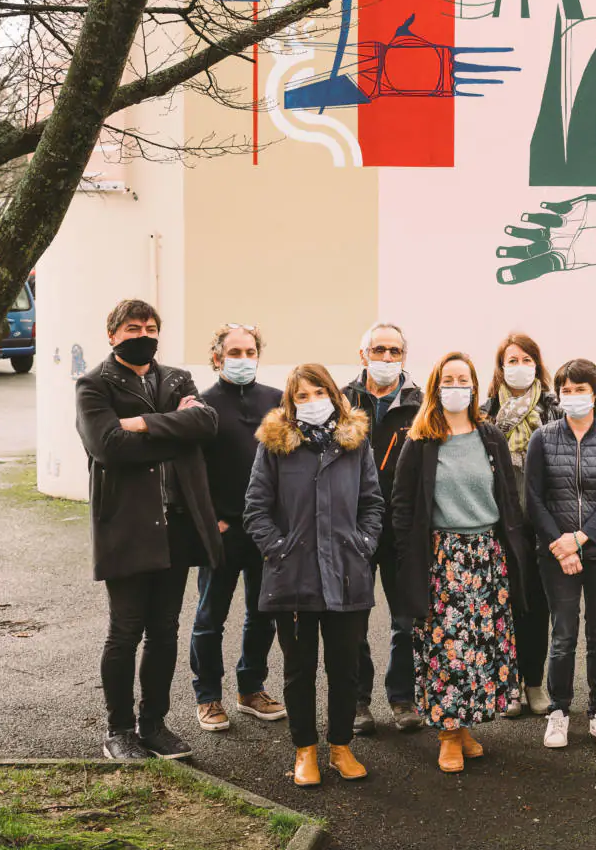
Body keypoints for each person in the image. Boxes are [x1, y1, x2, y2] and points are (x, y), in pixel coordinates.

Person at [75, 299, 222, 761]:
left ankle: (154, 724)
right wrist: (172, 434)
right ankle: (119, 730)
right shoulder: (93, 384)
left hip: (177, 526)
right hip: (127, 525)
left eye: (151, 326)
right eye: (133, 327)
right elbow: (109, 447)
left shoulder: (176, 378)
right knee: (125, 631)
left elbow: (205, 422)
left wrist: (142, 423)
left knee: (165, 630)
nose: (144, 333)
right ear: (113, 334)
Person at [390, 352, 530, 773]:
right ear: (436, 387)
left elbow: (508, 496)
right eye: (447, 379)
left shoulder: (490, 437)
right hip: (442, 557)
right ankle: (448, 735)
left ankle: (466, 725)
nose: (455, 386)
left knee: (482, 647)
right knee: (448, 649)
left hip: (487, 554)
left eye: (462, 379)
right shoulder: (421, 440)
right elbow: (401, 504)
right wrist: (410, 556)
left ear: (473, 386)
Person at [244, 364, 382, 786]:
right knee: (298, 670)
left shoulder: (355, 444)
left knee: (345, 668)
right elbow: (256, 508)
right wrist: (279, 550)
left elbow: (372, 503)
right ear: (290, 403)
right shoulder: (274, 446)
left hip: (346, 574)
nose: (311, 402)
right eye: (301, 396)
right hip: (295, 576)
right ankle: (305, 750)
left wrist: (362, 544)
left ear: (334, 395)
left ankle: (340, 746)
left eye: (317, 392)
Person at [524, 359, 596, 749]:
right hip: (555, 554)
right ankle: (559, 711)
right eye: (566, 389)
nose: (574, 396)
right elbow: (533, 499)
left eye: (581, 388)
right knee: (563, 634)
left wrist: (581, 539)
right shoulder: (543, 438)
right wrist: (561, 544)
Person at [191, 324, 286, 731]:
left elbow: (289, 461)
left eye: (250, 351)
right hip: (222, 531)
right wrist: (212, 518)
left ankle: (251, 688)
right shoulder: (201, 405)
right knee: (210, 616)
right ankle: (208, 697)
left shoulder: (277, 401)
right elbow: (191, 471)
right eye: (235, 352)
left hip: (265, 531)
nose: (243, 359)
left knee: (262, 614)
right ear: (217, 357)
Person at [343, 322, 424, 735]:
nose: (387, 358)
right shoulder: (340, 402)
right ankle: (358, 702)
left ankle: (402, 698)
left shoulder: (421, 405)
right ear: (363, 355)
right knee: (353, 616)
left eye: (395, 351)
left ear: (404, 357)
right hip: (352, 528)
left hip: (401, 529)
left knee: (406, 619)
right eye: (379, 350)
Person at [483, 333, 561, 719]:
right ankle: (509, 684)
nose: (519, 366)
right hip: (499, 525)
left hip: (540, 525)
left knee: (537, 606)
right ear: (500, 368)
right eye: (511, 360)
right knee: (504, 607)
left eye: (526, 359)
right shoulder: (483, 414)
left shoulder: (552, 410)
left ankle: (534, 682)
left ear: (537, 364)